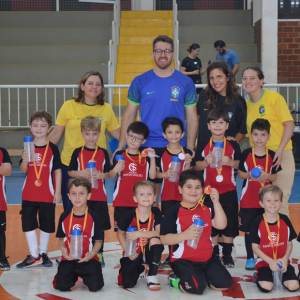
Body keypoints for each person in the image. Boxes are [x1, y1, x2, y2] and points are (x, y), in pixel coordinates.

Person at [113, 35, 198, 205]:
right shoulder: (140, 81)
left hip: (175, 148)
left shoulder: (186, 82)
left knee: (174, 198)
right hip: (147, 147)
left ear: (173, 54)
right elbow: (129, 115)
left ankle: (168, 231)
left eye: (167, 51)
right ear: (152, 55)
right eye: (159, 51)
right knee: (147, 198)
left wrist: (189, 148)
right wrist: (121, 146)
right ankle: (148, 230)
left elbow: (192, 117)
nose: (163, 55)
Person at [47, 71, 120, 211]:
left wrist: (127, 143)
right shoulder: (69, 106)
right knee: (71, 208)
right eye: (90, 83)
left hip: (96, 168)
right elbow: (56, 133)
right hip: (70, 166)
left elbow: (118, 133)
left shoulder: (106, 109)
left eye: (98, 84)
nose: (94, 87)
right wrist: (37, 150)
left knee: (95, 209)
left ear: (102, 88)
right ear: (82, 86)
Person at [160, 169, 233, 295]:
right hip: (183, 260)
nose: (193, 191)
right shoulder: (173, 211)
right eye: (189, 187)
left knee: (225, 284)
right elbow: (164, 239)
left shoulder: (207, 208)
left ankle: (202, 275)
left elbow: (222, 225)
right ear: (180, 189)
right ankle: (174, 279)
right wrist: (184, 235)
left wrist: (216, 202)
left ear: (203, 190)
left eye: (198, 187)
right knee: (196, 288)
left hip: (208, 259)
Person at [242, 66, 295, 216]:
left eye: (252, 78)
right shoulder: (246, 105)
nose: (248, 81)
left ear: (261, 81)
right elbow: (248, 136)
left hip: (280, 155)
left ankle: (286, 240)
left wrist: (279, 149)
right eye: (245, 78)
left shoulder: (274, 98)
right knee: (262, 201)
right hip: (260, 158)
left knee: (280, 199)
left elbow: (289, 124)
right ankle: (264, 238)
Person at [194, 109, 241, 268]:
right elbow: (196, 166)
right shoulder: (203, 145)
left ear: (227, 125)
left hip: (228, 191)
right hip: (209, 192)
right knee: (211, 221)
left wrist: (231, 162)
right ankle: (213, 252)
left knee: (229, 222)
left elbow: (241, 165)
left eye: (221, 122)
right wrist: (206, 162)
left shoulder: (233, 144)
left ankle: (227, 253)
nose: (217, 125)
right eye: (214, 122)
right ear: (208, 126)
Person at [18, 111, 62, 268]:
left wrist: (57, 192)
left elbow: (57, 170)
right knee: (28, 223)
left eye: (43, 126)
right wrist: (24, 159)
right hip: (29, 193)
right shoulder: (27, 147)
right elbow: (24, 170)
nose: (39, 128)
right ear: (30, 127)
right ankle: (34, 254)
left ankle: (42, 253)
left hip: (47, 193)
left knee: (46, 224)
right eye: (35, 125)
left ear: (49, 129)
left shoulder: (53, 149)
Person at [239, 118, 281, 271]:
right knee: (249, 230)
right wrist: (250, 174)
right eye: (256, 134)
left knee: (265, 229)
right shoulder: (245, 153)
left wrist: (266, 176)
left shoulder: (272, 155)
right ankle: (250, 257)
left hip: (267, 202)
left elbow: (274, 177)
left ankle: (263, 257)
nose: (259, 138)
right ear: (251, 135)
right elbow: (241, 175)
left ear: (269, 136)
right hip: (248, 200)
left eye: (263, 135)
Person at [68, 116, 110, 268]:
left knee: (99, 226)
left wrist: (101, 175)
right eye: (87, 134)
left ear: (99, 133)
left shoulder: (104, 152)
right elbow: (70, 172)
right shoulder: (77, 152)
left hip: (99, 196)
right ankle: (82, 250)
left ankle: (99, 254)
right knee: (83, 225)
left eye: (94, 133)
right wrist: (80, 172)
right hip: (82, 198)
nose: (91, 137)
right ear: (82, 133)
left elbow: (109, 174)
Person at [53, 177, 104, 292]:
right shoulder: (64, 216)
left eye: (81, 193)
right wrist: (63, 250)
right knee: (61, 286)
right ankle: (71, 274)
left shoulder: (94, 216)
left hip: (88, 258)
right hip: (70, 258)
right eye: (74, 194)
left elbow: (99, 241)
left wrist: (92, 254)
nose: (77, 197)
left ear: (88, 196)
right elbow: (61, 239)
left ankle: (84, 275)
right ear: (69, 196)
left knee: (96, 286)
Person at [156, 117, 194, 268]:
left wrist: (189, 164)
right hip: (167, 197)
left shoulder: (188, 153)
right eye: (170, 132)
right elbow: (155, 175)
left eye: (177, 132)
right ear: (164, 134)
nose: (173, 135)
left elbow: (189, 177)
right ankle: (171, 254)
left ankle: (182, 252)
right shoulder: (160, 153)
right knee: (170, 227)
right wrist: (165, 174)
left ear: (182, 134)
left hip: (184, 197)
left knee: (183, 225)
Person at [249, 185, 299, 293]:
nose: (272, 203)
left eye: (276, 200)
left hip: (283, 262)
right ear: (261, 203)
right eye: (268, 200)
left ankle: (282, 277)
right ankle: (259, 275)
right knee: (266, 287)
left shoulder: (285, 219)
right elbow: (255, 248)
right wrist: (270, 261)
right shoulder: (257, 222)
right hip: (265, 263)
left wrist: (285, 259)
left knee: (294, 286)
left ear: (281, 203)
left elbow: (289, 244)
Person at [117, 180, 164, 290]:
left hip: (148, 251)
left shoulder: (156, 212)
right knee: (127, 283)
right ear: (135, 198)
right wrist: (128, 251)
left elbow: (159, 233)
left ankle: (152, 275)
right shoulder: (129, 215)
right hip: (134, 251)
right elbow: (120, 233)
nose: (146, 196)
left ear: (154, 197)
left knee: (156, 240)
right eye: (142, 194)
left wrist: (138, 234)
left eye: (149, 194)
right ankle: (140, 268)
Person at [109, 122, 156, 232]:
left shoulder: (146, 157)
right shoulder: (119, 155)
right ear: (126, 135)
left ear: (143, 141)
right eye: (131, 136)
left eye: (138, 138)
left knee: (138, 230)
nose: (133, 140)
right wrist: (116, 169)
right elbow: (111, 175)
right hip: (121, 201)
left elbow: (152, 176)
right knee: (121, 231)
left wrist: (153, 158)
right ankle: (125, 249)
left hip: (140, 202)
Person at [195, 60, 247, 158]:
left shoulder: (239, 102)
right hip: (203, 153)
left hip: (225, 156)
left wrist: (232, 145)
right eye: (211, 78)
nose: (215, 82)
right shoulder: (204, 95)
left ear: (227, 77)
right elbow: (197, 120)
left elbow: (242, 131)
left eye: (219, 76)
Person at [0, 147, 12, 271]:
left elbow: (8, 171)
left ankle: (2, 257)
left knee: (0, 230)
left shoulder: (2, 151)